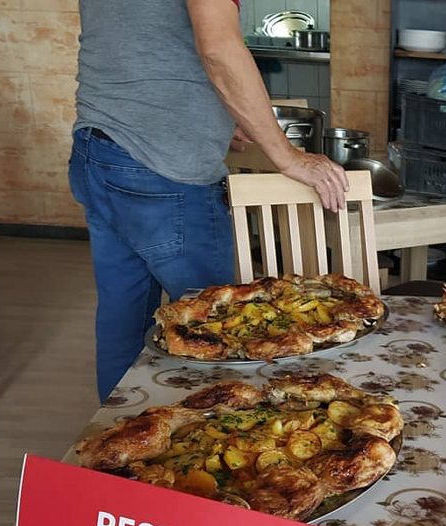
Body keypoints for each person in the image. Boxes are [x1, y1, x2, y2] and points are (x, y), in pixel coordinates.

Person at [68, 0, 349, 400]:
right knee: (217, 330)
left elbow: (137, 38)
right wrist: (288, 157)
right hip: (165, 168)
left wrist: (220, 114)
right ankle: (205, 432)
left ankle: (122, 436)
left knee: (124, 320)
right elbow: (218, 48)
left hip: (99, 148)